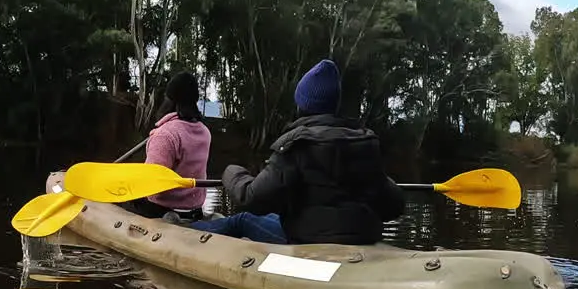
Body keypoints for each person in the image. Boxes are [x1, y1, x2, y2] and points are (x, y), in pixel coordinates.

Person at [188, 58, 405, 245]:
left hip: (309, 241)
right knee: (276, 215)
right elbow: (393, 207)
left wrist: (231, 172)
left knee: (242, 219)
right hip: (363, 237)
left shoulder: (297, 145)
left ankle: (182, 234)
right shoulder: (364, 144)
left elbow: (252, 198)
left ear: (302, 104)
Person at [120, 71, 213, 221]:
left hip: (162, 210)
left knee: (124, 199)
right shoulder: (204, 131)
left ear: (170, 100)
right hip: (194, 209)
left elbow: (150, 183)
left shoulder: (165, 135)